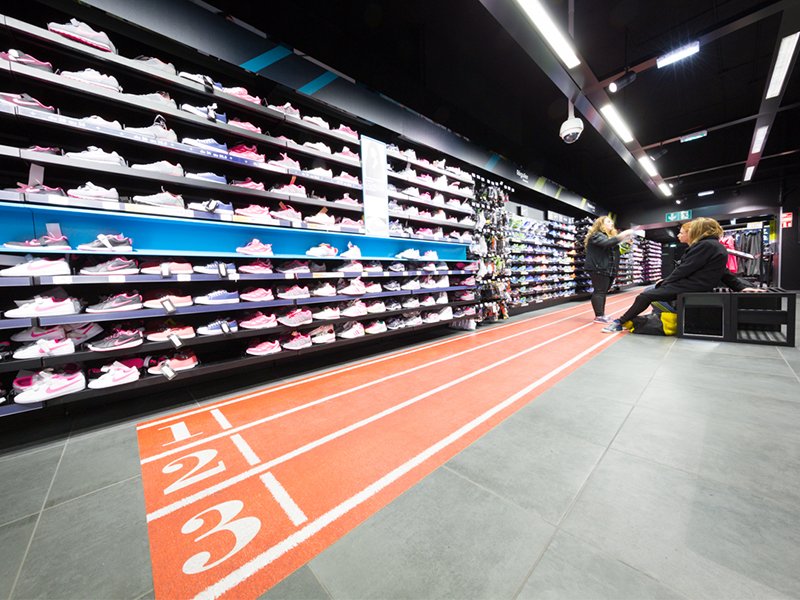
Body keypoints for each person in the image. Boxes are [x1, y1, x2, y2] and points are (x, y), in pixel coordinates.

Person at [603, 217, 763, 332]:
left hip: (693, 286)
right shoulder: (716, 246)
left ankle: (620, 322)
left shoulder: (705, 245)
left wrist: (665, 283)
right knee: (651, 292)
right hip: (699, 285)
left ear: (699, 230)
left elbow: (685, 269)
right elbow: (724, 272)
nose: (685, 233)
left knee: (645, 296)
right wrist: (740, 287)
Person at [584, 216, 635, 323]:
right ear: (601, 224)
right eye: (608, 222)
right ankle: (599, 316)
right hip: (598, 268)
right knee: (600, 291)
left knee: (602, 291)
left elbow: (616, 252)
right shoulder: (596, 235)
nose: (611, 224)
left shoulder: (609, 238)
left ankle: (601, 315)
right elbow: (606, 244)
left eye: (611, 222)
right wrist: (622, 235)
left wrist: (626, 244)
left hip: (608, 269)